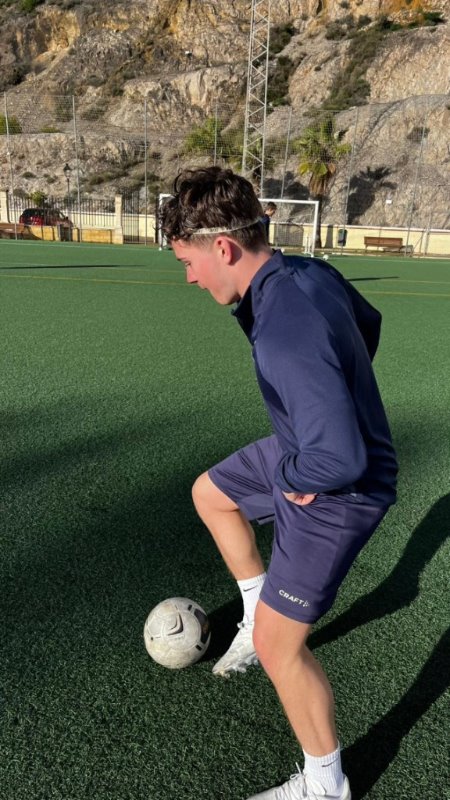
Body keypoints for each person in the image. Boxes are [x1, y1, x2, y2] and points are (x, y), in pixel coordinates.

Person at [160, 166, 397, 800]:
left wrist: (297, 471)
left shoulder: (284, 330)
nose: (189, 278)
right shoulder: (307, 272)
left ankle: (326, 785)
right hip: (309, 451)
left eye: (188, 262)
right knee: (211, 494)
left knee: (277, 648)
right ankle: (253, 609)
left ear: (223, 248)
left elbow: (341, 459)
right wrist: (330, 393)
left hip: (339, 489)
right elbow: (369, 322)